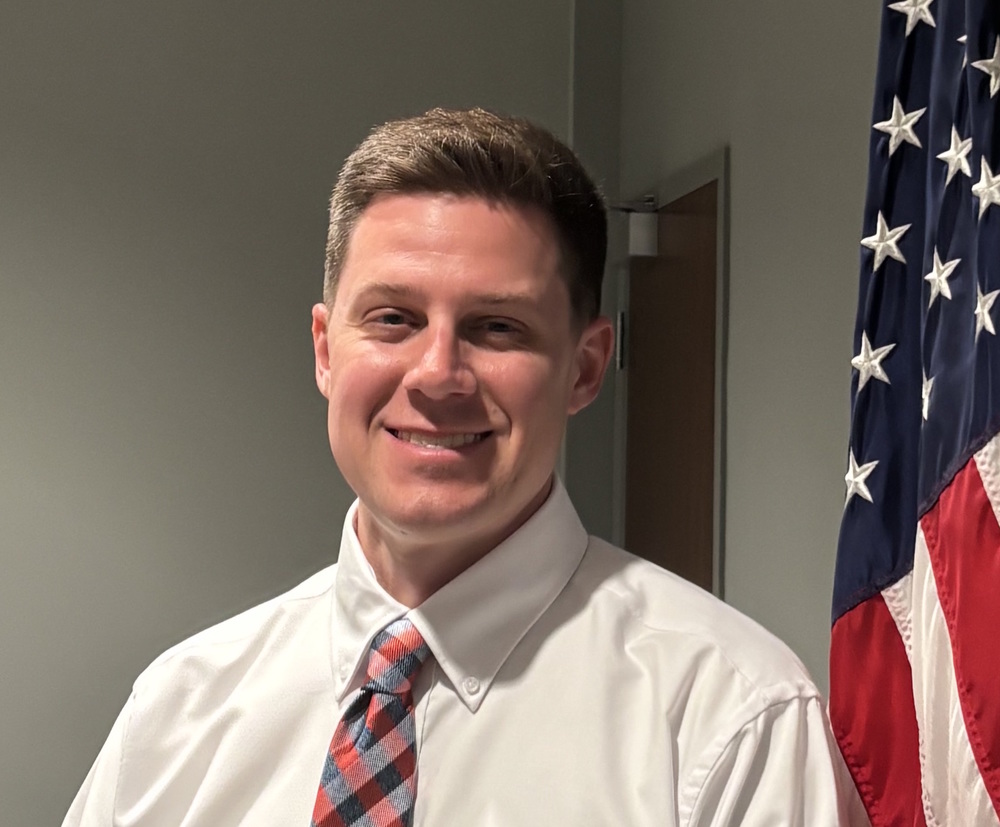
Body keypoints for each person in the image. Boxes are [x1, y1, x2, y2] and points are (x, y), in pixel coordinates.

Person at [64, 108, 860, 826]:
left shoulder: (732, 719)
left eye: (497, 326)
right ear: (325, 350)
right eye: (393, 318)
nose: (437, 374)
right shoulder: (176, 714)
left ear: (585, 368)